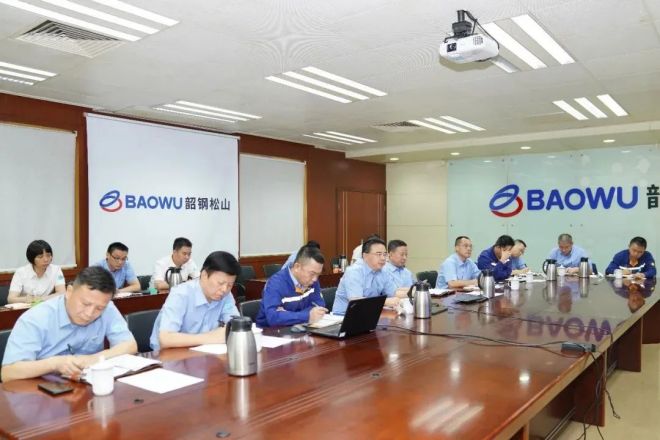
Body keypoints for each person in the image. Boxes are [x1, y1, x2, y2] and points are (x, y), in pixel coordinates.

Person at [1, 266, 137, 382]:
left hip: (87, 388)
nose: (89, 313)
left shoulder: (107, 308)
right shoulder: (35, 318)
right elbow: (8, 373)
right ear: (69, 292)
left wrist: (93, 359)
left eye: (99, 308)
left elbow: (130, 345)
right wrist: (54, 363)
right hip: (43, 392)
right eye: (85, 304)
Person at [149, 251, 241, 351]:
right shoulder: (180, 294)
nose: (224, 289)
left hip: (203, 352)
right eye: (220, 283)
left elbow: (235, 325)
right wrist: (210, 338)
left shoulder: (226, 295)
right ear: (204, 275)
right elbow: (165, 339)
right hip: (168, 354)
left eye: (230, 285)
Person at [256, 246, 327, 327]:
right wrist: (307, 316)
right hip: (270, 331)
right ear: (297, 267)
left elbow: (319, 305)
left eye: (318, 274)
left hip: (299, 327)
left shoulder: (312, 281)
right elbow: (273, 318)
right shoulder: (275, 284)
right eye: (312, 274)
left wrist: (288, 315)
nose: (315, 279)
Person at [333, 237, 403, 315]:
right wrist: (384, 302)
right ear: (365, 256)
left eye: (384, 254)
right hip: (344, 316)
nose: (383, 258)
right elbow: (356, 302)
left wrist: (411, 293)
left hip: (368, 313)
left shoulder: (383, 270)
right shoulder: (354, 271)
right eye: (378, 254)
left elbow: (393, 293)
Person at [7, 240, 66, 304]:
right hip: (26, 308)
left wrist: (41, 299)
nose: (46, 259)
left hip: (46, 306)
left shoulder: (56, 270)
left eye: (48, 255)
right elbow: (11, 299)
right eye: (40, 257)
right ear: (31, 258)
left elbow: (62, 293)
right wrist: (25, 299)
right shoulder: (21, 272)